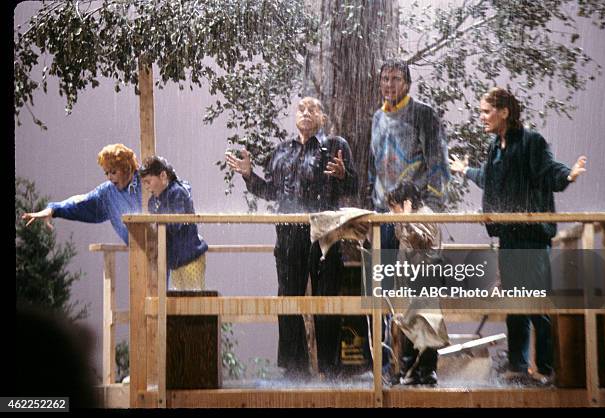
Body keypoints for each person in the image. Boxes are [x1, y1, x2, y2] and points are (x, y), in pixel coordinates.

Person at [450, 86, 587, 385]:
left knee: (537, 304)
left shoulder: (531, 141)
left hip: (532, 237)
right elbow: (490, 178)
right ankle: (518, 367)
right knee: (515, 305)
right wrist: (466, 171)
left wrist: (568, 175)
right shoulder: (494, 146)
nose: (482, 117)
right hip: (509, 236)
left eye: (486, 111)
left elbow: (547, 170)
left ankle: (548, 369)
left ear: (505, 112)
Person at [225, 96, 358, 380]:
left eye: (313, 109)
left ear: (322, 117)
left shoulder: (335, 145)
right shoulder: (282, 151)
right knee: (288, 298)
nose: (306, 113)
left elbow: (354, 185)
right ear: (294, 116)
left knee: (327, 300)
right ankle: (295, 369)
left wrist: (344, 174)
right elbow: (271, 193)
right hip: (288, 233)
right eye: (301, 109)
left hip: (324, 232)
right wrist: (249, 176)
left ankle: (331, 368)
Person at [367, 59, 450, 384]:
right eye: (385, 79)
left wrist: (426, 212)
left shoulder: (423, 114)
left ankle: (425, 367)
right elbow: (374, 167)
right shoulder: (377, 117)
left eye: (396, 79)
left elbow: (439, 165)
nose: (389, 85)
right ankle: (393, 367)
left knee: (422, 290)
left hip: (415, 216)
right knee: (386, 295)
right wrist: (373, 211)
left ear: (408, 83)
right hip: (384, 218)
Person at [384, 182, 449, 385]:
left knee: (427, 325)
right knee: (409, 325)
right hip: (410, 279)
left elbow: (421, 241)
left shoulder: (423, 215)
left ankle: (426, 371)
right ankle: (409, 371)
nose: (391, 212)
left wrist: (407, 218)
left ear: (406, 203)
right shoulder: (408, 218)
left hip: (424, 278)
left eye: (394, 206)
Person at [21, 143, 141, 245]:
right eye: (106, 173)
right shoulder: (108, 194)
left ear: (127, 168)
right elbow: (81, 202)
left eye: (113, 172)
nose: (109, 177)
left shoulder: (146, 181)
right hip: (141, 257)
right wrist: (53, 209)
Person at [138, 156, 208, 290]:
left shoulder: (177, 193)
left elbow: (175, 223)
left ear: (163, 176)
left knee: (194, 299)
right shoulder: (155, 201)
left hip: (190, 256)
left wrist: (156, 222)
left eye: (148, 182)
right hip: (176, 259)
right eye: (144, 183)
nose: (146, 187)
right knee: (180, 302)